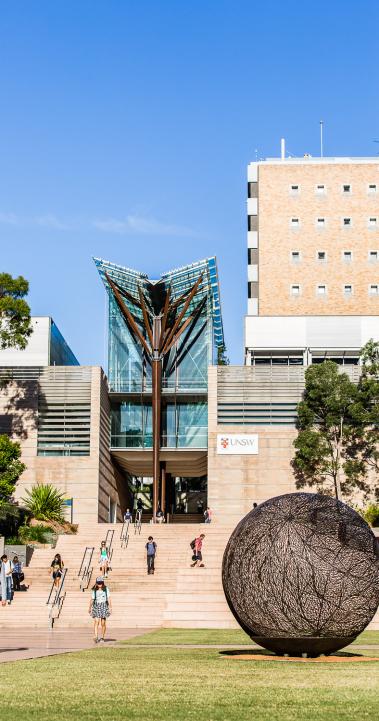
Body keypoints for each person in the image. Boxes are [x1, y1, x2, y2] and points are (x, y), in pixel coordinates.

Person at [88, 577, 112, 643]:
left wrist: (110, 607)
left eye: (101, 583)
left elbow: (109, 598)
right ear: (96, 583)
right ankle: (96, 636)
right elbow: (92, 599)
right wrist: (89, 607)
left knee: (103, 623)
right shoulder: (94, 590)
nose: (100, 585)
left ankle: (102, 637)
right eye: (98, 583)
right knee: (96, 621)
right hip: (96, 605)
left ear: (103, 583)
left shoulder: (106, 589)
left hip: (104, 605)